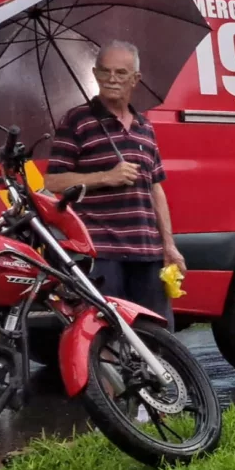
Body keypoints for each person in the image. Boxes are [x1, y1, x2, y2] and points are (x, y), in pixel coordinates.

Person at [42, 41, 183, 316]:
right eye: (105, 72)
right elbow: (53, 182)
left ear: (135, 79)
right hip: (101, 252)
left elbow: (156, 188)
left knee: (155, 334)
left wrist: (169, 246)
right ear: (94, 74)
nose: (112, 79)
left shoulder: (145, 126)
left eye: (120, 73)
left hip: (148, 252)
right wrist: (107, 176)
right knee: (106, 336)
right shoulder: (76, 120)